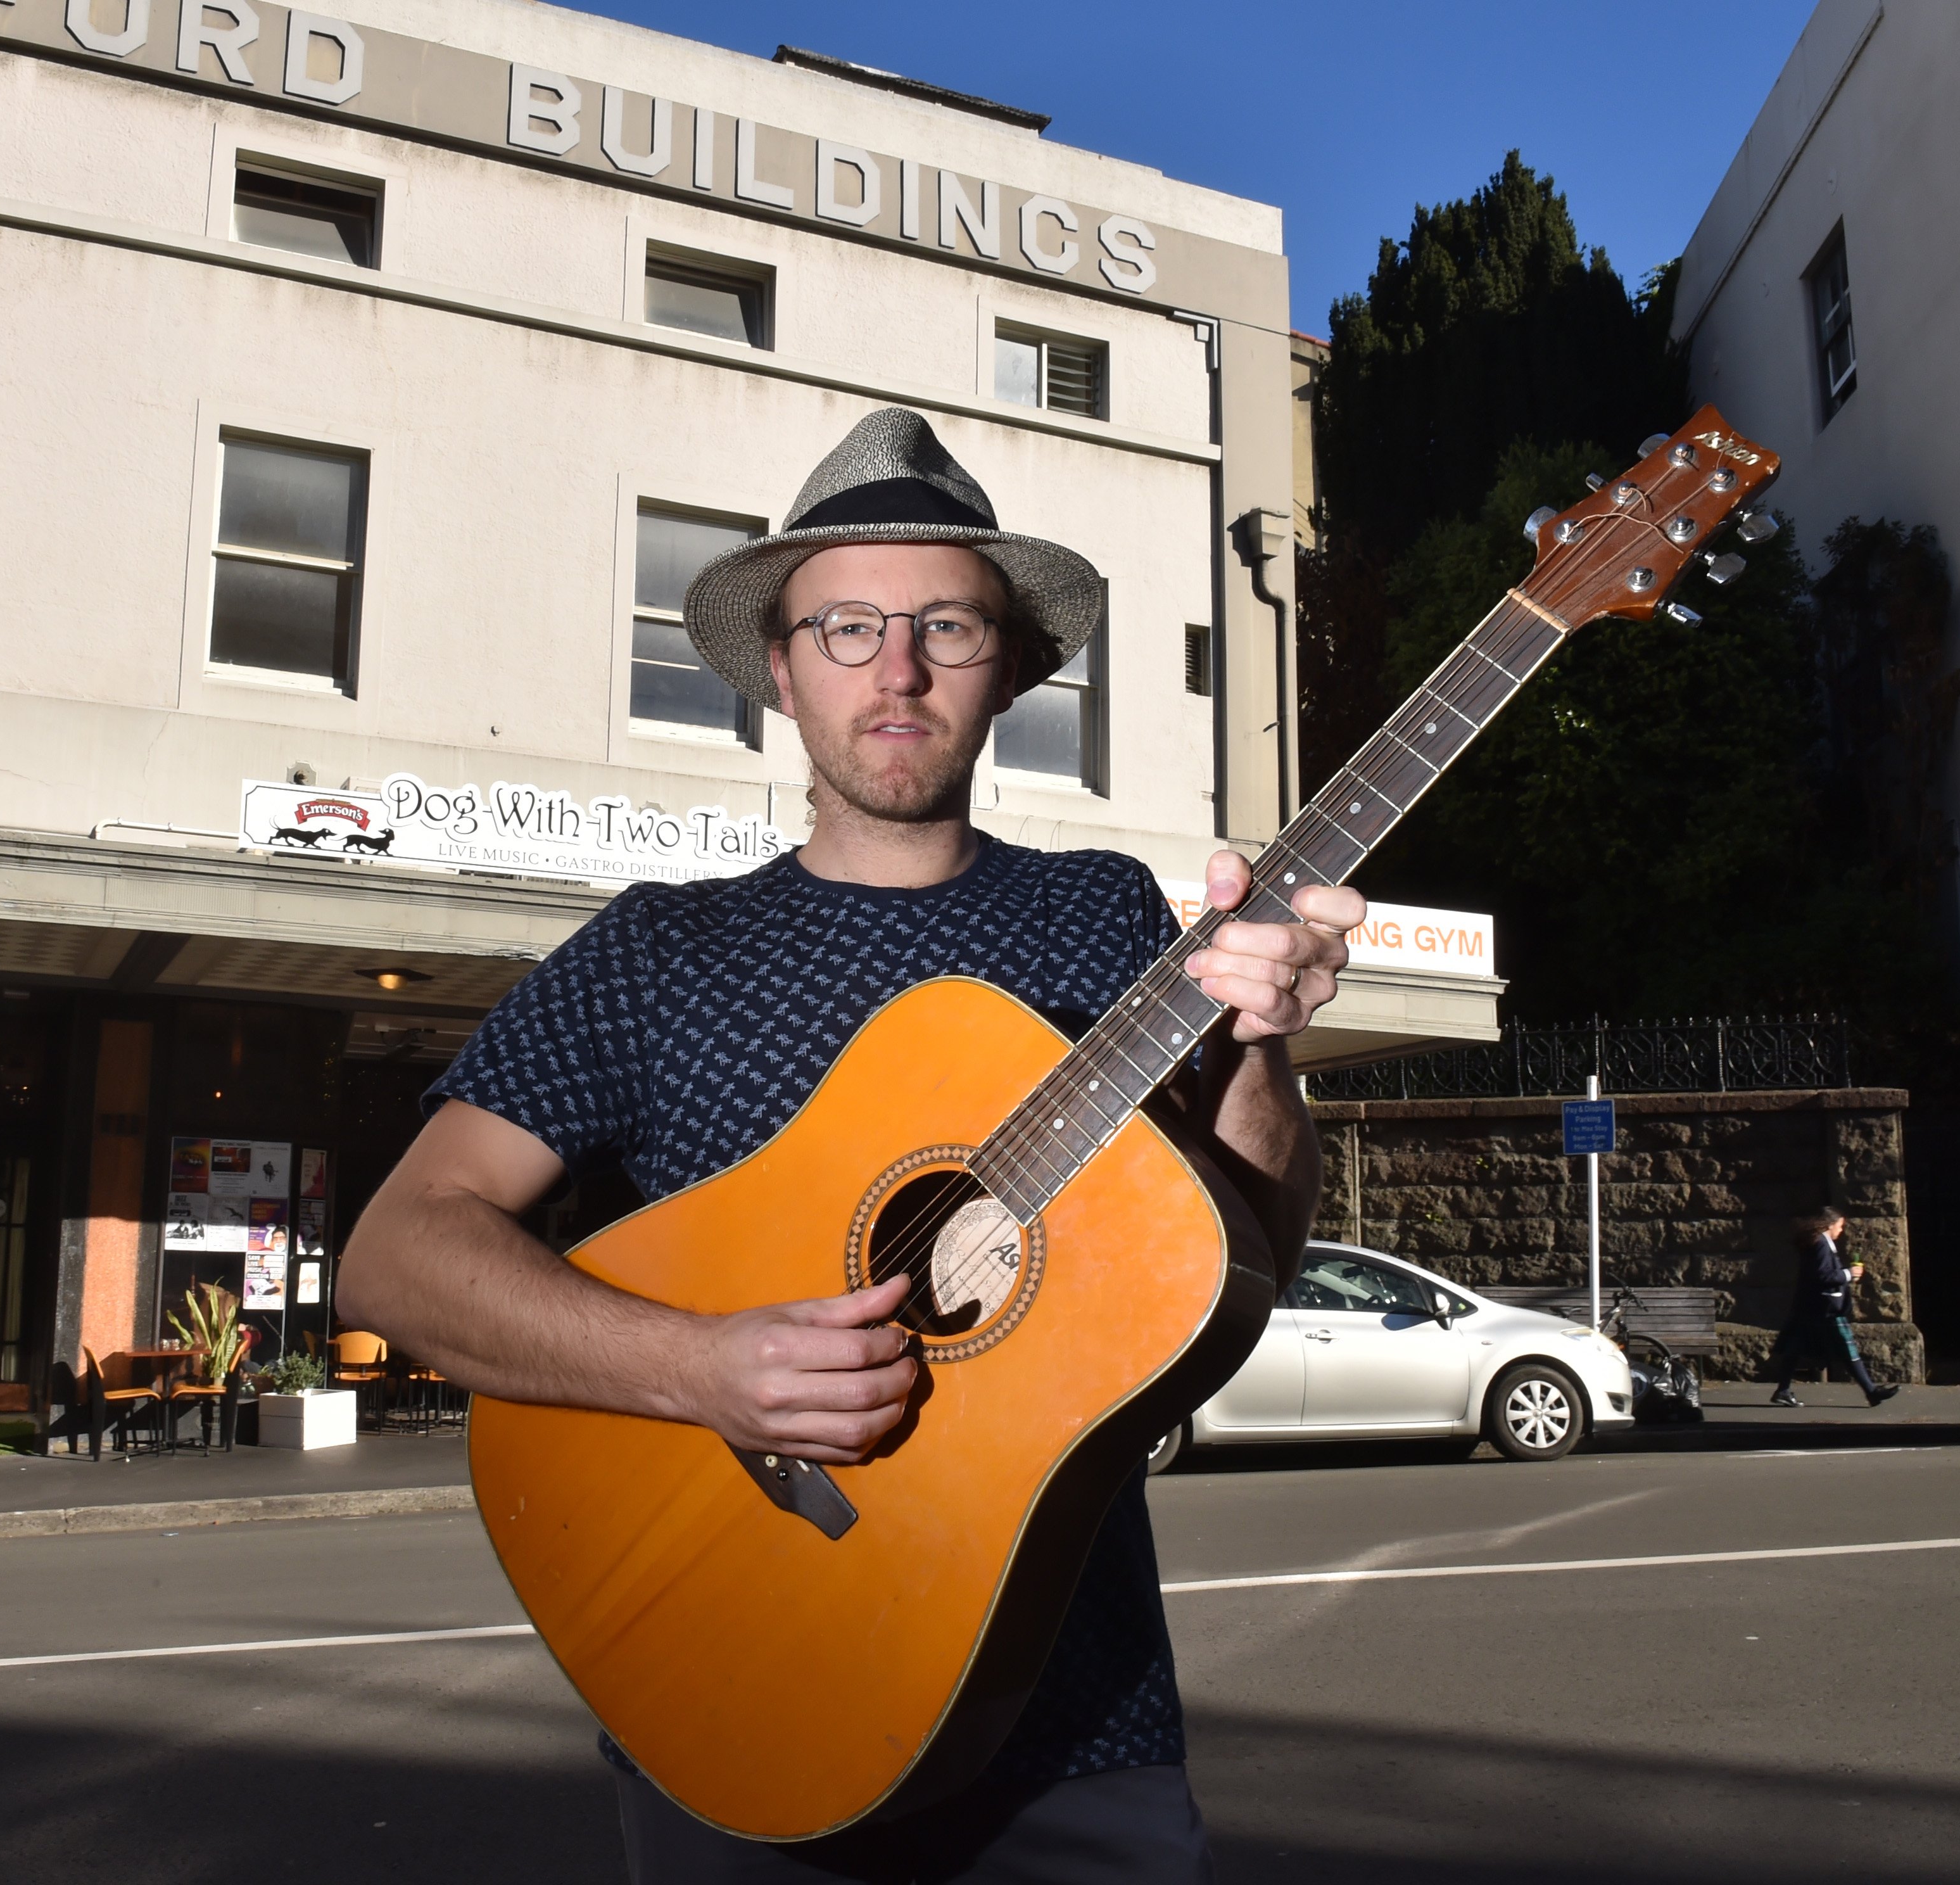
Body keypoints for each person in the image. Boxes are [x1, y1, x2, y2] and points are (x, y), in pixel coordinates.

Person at [336, 406, 1364, 1883]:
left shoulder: (1109, 924)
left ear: (1008, 665)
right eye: (848, 627)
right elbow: (397, 1253)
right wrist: (701, 1368)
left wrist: (1264, 1041)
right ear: (778, 668)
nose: (897, 669)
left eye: (946, 624)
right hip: (741, 1706)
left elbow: (1244, 1260)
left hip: (1082, 1734)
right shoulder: (652, 956)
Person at [1769, 1206, 1898, 1408]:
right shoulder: (1821, 1244)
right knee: (1848, 1350)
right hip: (1824, 1308)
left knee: (1794, 1349)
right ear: (1830, 1224)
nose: (1841, 1231)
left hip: (1811, 1306)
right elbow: (1822, 1276)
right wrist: (1849, 1274)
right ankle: (1871, 1392)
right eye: (1840, 1226)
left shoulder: (1819, 1242)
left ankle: (1783, 1390)